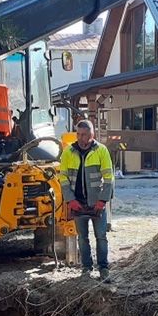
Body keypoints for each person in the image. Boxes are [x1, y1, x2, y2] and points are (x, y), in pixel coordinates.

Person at [59, 120, 115, 280]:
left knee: (101, 237)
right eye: (78, 134)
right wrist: (70, 200)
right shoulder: (68, 152)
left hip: (97, 205)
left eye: (83, 134)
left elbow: (109, 179)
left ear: (92, 135)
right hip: (78, 205)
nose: (80, 137)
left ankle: (103, 269)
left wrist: (102, 201)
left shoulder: (101, 151)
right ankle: (86, 268)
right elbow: (63, 179)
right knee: (82, 239)